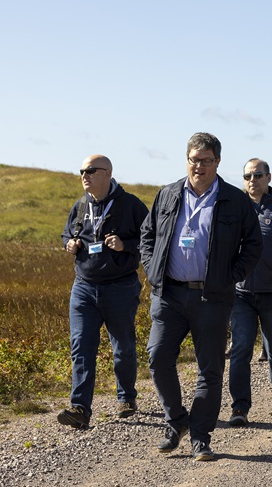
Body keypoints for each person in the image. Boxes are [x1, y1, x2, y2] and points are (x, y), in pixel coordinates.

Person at [140, 132, 262, 461]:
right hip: (170, 294)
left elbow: (253, 245)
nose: (199, 166)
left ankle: (200, 437)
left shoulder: (235, 200)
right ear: (187, 160)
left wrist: (230, 276)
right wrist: (153, 269)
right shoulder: (167, 195)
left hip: (212, 297)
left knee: (209, 369)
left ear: (217, 163)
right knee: (158, 357)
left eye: (206, 161)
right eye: (194, 160)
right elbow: (147, 235)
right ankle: (177, 420)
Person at [57, 155, 149, 429]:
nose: (84, 175)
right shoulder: (79, 205)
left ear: (107, 173)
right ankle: (80, 408)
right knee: (81, 347)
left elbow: (149, 238)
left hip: (120, 286)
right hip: (83, 287)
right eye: (81, 171)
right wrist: (69, 244)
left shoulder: (130, 204)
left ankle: (126, 398)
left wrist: (126, 245)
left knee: (122, 347)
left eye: (90, 170)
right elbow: (66, 234)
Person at [227, 158, 272, 428]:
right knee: (240, 349)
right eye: (247, 175)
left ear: (268, 177)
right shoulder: (233, 209)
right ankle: (239, 406)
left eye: (257, 175)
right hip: (240, 294)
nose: (252, 180)